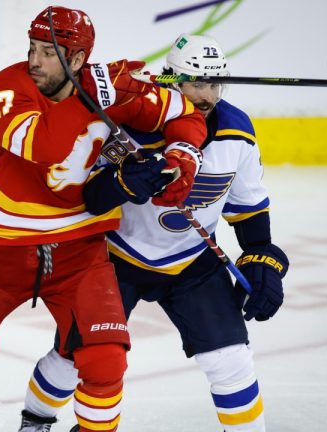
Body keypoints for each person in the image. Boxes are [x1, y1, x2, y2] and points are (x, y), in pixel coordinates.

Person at [0, 6, 207, 432]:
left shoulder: (107, 88)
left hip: (79, 250)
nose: (34, 61)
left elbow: (184, 113)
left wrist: (182, 155)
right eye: (32, 49)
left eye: (49, 52)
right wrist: (95, 95)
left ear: (76, 59)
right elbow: (47, 145)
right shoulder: (6, 87)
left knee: (106, 358)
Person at [19, 34, 289, 432]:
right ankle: (35, 421)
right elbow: (89, 197)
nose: (207, 94)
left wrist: (262, 254)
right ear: (170, 81)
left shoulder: (238, 133)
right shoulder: (132, 125)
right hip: (114, 259)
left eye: (215, 83)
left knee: (230, 359)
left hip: (191, 262)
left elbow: (248, 207)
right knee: (73, 355)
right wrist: (124, 182)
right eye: (196, 82)